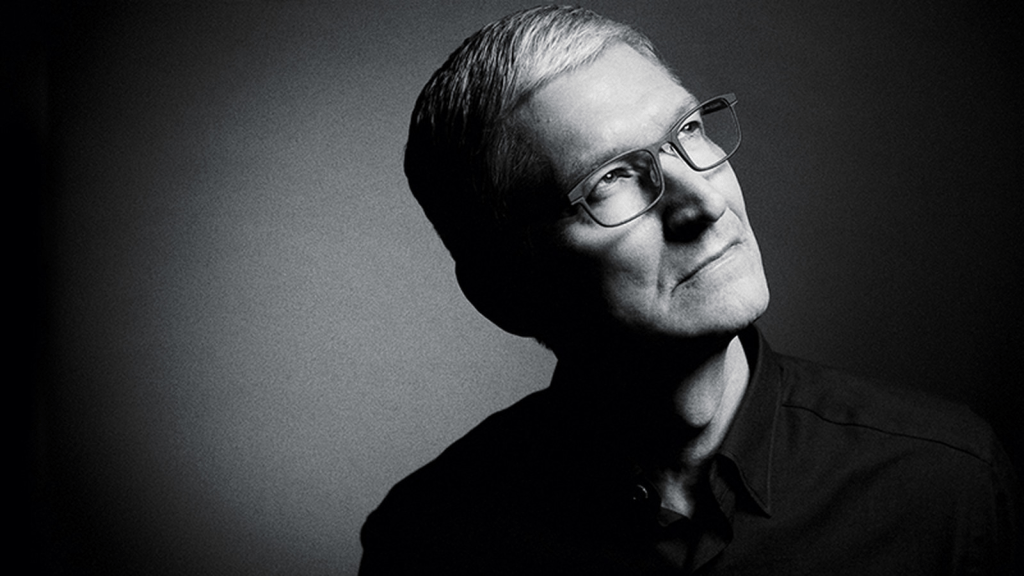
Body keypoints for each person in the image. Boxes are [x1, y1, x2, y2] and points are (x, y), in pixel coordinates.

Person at [359, 5, 1020, 574]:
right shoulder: (431, 540)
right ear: (502, 292)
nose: (704, 200)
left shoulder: (944, 484)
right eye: (612, 178)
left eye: (690, 132)